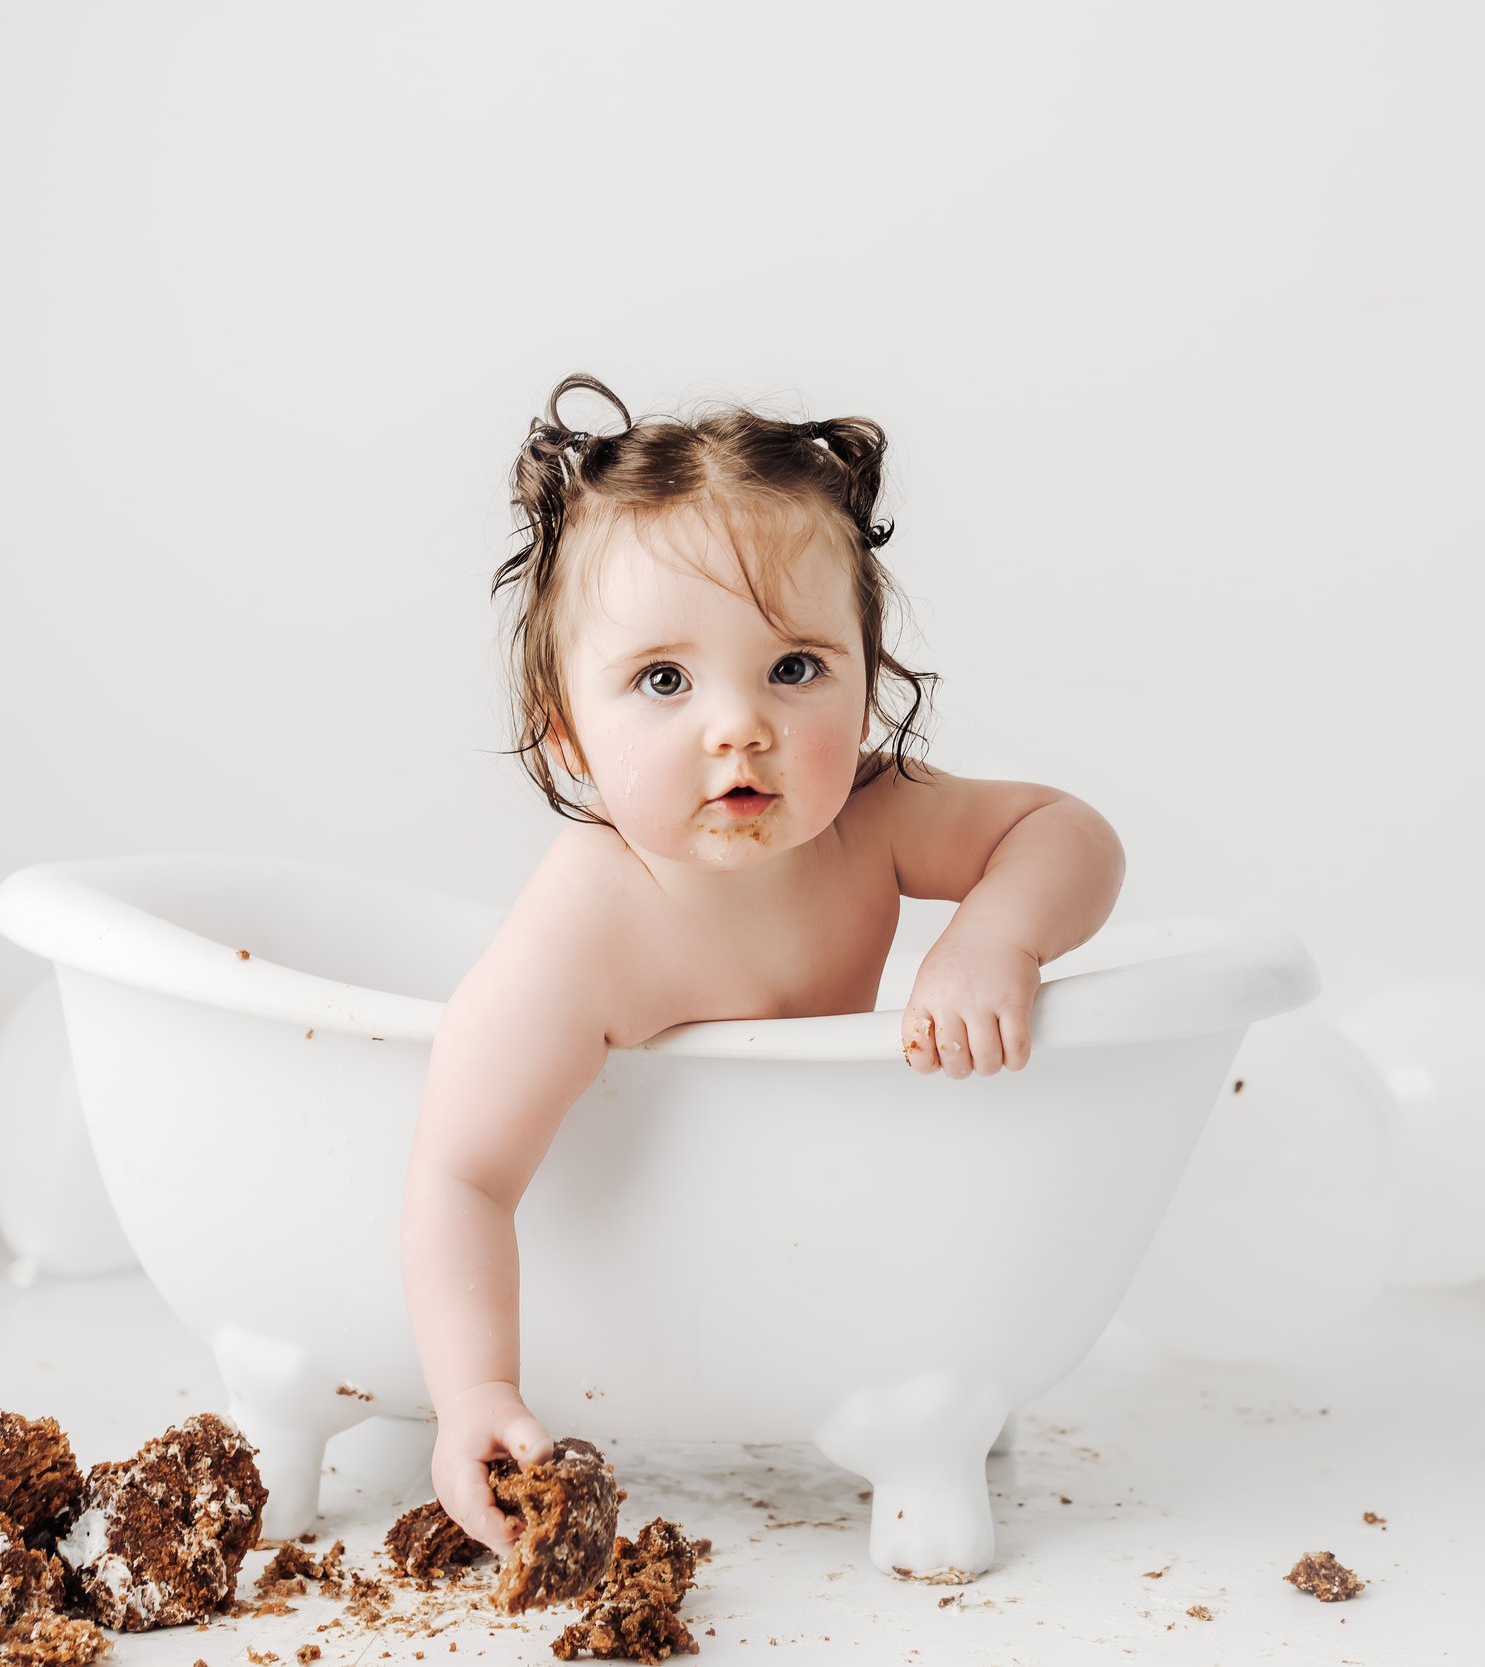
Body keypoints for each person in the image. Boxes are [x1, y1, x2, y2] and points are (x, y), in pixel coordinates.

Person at [397, 372, 1127, 1553]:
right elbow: (461, 1177)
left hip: (827, 1249)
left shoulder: (870, 820)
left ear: (869, 672)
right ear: (568, 726)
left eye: (795, 668)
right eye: (664, 679)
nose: (738, 725)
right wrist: (474, 1388)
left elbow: (1069, 833)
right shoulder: (582, 929)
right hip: (659, 1295)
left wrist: (996, 932)